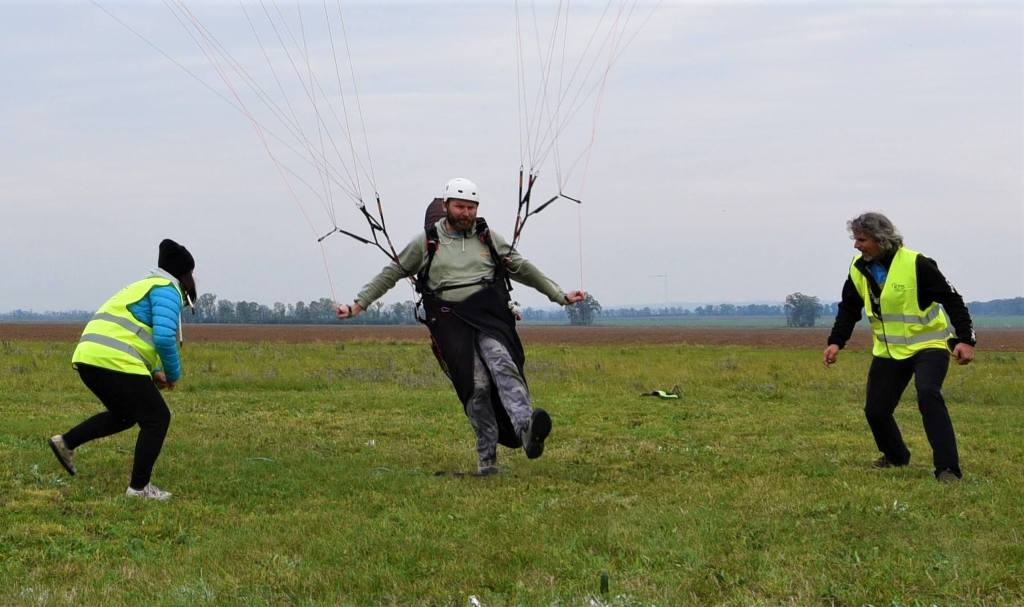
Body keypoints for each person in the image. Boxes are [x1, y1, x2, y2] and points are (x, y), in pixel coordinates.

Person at [336, 177, 585, 475]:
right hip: (450, 322)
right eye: (460, 206)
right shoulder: (426, 242)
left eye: (471, 207)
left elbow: (523, 268)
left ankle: (526, 429)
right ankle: (487, 460)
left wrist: (559, 295)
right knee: (477, 387)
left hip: (489, 315)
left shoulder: (487, 238)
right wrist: (359, 304)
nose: (466, 213)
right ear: (446, 206)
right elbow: (392, 273)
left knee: (503, 363)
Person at [823, 212, 975, 483]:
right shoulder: (858, 269)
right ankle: (895, 456)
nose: (856, 245)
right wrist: (836, 342)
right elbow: (849, 308)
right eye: (855, 239)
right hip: (889, 351)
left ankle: (948, 469)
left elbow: (953, 300)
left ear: (881, 240)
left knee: (928, 395)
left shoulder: (917, 264)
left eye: (862, 239)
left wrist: (965, 338)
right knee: (876, 411)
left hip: (929, 344)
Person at [48, 239, 197, 500]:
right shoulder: (167, 289)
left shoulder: (143, 285)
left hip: (90, 357)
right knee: (157, 417)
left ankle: (66, 443)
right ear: (184, 275)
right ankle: (138, 489)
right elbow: (163, 339)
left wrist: (153, 372)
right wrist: (173, 375)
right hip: (113, 360)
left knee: (125, 415)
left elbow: (133, 336)